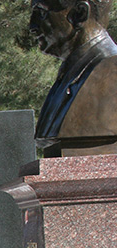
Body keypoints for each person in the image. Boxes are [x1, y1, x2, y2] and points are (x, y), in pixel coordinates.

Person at [31, 0, 117, 152]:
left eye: (41, 12)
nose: (32, 26)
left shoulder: (111, 73)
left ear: (79, 14)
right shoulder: (69, 74)